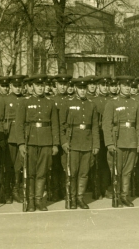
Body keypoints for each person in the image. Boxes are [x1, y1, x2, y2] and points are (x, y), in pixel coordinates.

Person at [15, 74, 60, 212]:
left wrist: (55, 144)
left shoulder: (50, 102)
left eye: (42, 86)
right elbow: (19, 124)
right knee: (30, 172)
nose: (40, 88)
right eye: (37, 85)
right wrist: (21, 143)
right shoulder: (25, 102)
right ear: (32, 87)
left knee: (42, 172)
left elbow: (54, 124)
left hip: (46, 141)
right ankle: (30, 201)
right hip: (30, 141)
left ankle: (39, 200)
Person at [103, 76, 139, 207]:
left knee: (128, 171)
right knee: (116, 170)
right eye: (124, 86)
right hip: (117, 141)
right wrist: (109, 143)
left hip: (131, 141)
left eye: (129, 86)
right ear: (119, 86)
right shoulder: (112, 103)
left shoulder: (135, 103)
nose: (127, 88)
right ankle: (116, 195)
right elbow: (106, 124)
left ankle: (124, 196)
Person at [59, 77, 100, 209]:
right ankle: (71, 198)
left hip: (87, 143)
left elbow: (94, 126)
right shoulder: (67, 103)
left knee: (84, 172)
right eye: (80, 88)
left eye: (84, 88)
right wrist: (64, 142)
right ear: (76, 89)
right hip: (73, 143)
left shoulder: (91, 104)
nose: (82, 91)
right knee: (72, 172)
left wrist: (96, 144)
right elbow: (62, 125)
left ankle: (80, 198)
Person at [0, 75, 25, 204]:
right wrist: (0, 138)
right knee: (8, 166)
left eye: (20, 86)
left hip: (21, 137)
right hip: (9, 137)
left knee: (19, 166)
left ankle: (16, 190)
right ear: (11, 86)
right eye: (15, 86)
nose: (18, 89)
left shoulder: (25, 100)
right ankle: (6, 191)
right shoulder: (4, 100)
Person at [50, 74, 73, 202]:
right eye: (61, 84)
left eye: (65, 84)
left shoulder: (71, 100)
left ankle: (66, 191)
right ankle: (54, 191)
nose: (63, 86)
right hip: (54, 138)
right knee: (54, 166)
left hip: (66, 138)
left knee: (66, 165)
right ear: (56, 85)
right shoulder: (51, 100)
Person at [90, 75, 113, 200]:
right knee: (96, 164)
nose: (105, 88)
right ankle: (96, 189)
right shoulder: (94, 101)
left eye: (106, 85)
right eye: (102, 85)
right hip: (98, 135)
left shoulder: (112, 100)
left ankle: (105, 189)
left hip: (108, 136)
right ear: (98, 86)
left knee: (106, 164)